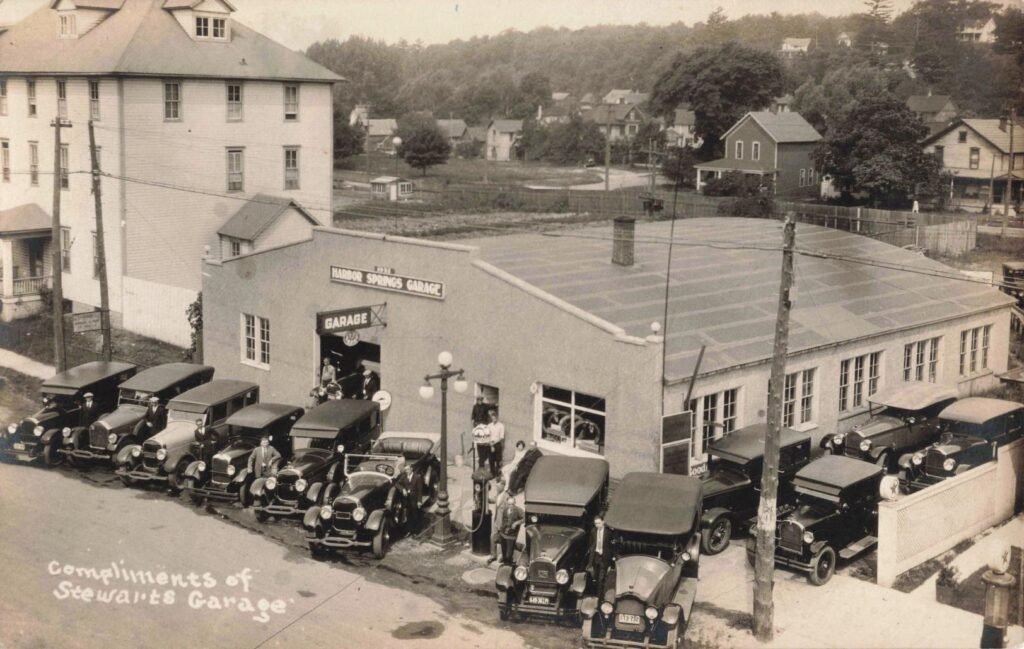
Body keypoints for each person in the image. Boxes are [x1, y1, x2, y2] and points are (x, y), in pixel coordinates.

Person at [485, 407, 505, 477]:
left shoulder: (501, 425)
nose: (494, 419)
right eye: (492, 418)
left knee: (498, 460)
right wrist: (491, 444)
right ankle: (492, 474)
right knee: (491, 460)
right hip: (490, 444)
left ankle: (498, 474)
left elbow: (501, 437)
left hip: (497, 444)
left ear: (497, 418)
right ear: (491, 418)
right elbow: (487, 436)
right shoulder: (489, 425)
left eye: (495, 418)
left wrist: (494, 444)